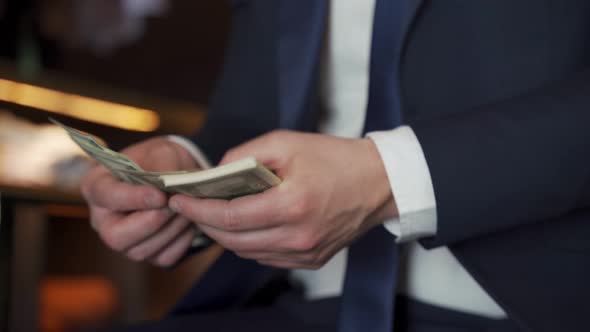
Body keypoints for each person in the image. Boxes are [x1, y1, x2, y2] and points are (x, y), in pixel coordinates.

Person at [81, 1, 590, 331]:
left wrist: (391, 178)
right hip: (290, 303)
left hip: (530, 307)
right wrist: (188, 168)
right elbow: (249, 114)